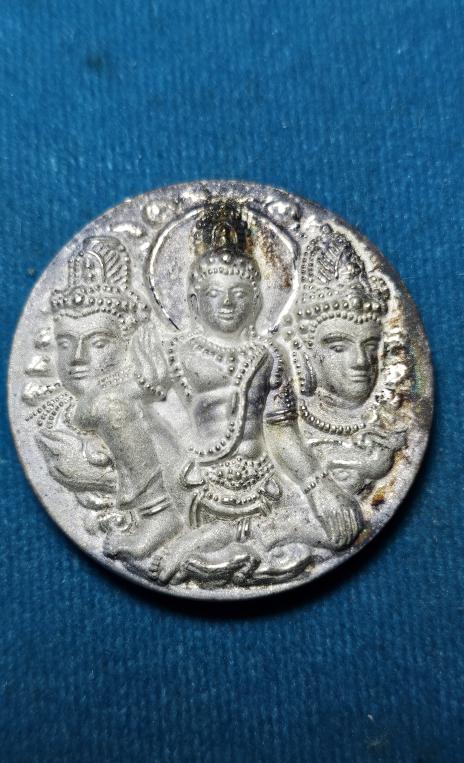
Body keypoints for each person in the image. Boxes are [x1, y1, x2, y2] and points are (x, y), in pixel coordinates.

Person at [136, 203, 363, 584]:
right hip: (197, 486)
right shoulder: (175, 351)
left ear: (257, 301)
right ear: (193, 302)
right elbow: (151, 420)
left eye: (239, 293)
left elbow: (282, 432)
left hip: (264, 489)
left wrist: (318, 485)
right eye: (214, 293)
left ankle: (222, 539)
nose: (227, 303)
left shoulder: (271, 355)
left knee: (343, 528)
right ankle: (200, 536)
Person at [39, 236, 182, 556]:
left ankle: (159, 514)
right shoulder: (78, 407)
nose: (77, 357)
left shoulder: (119, 397)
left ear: (128, 343)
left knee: (108, 405)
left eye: (98, 342)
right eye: (65, 343)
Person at [289, 224, 407, 496]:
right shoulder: (283, 425)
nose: (361, 361)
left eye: (370, 346)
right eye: (339, 347)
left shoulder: (388, 423)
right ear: (306, 352)